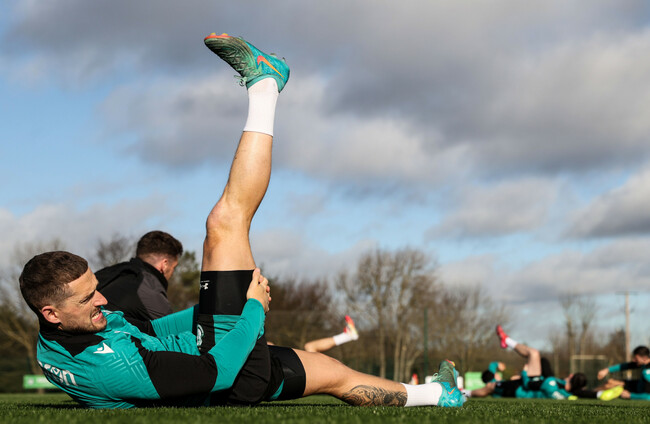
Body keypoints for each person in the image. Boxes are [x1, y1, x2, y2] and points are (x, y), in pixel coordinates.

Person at [19, 33, 464, 409]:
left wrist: (209, 307)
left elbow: (146, 331)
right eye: (88, 297)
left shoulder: (59, 338)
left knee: (336, 375)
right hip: (225, 372)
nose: (102, 298)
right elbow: (216, 372)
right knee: (225, 223)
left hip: (213, 355)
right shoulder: (112, 367)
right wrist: (250, 308)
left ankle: (437, 395)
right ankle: (266, 83)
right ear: (51, 312)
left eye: (95, 287)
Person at [465, 326, 621, 401]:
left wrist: (524, 373)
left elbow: (530, 384)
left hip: (523, 387)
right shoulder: (561, 387)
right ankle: (507, 341)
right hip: (533, 382)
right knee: (534, 353)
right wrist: (599, 393)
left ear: (572, 379)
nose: (570, 374)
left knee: (491, 387)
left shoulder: (553, 384)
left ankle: (463, 392)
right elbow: (581, 393)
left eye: (572, 376)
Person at [95, 231, 183, 321]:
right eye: (173, 267)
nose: (172, 272)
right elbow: (172, 327)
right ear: (164, 265)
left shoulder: (107, 274)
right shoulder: (150, 291)